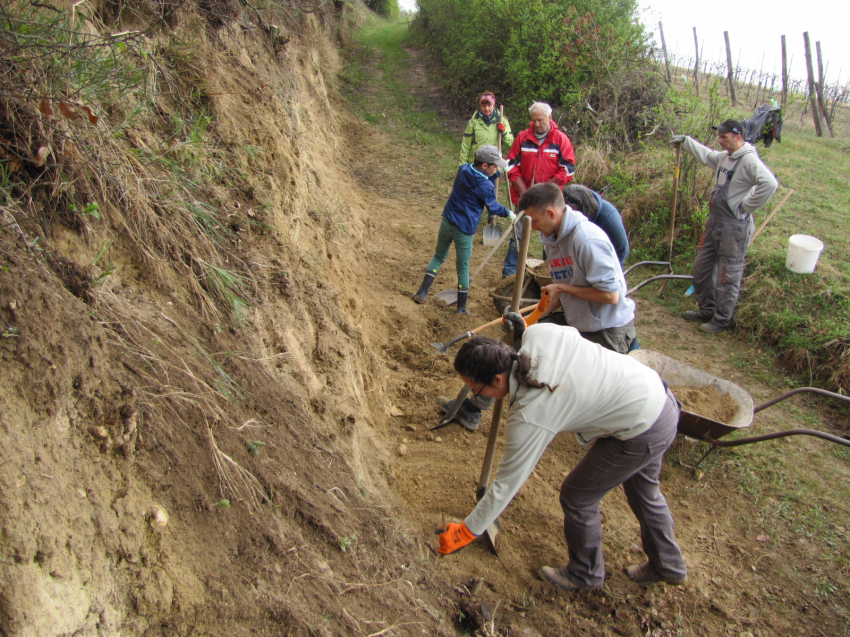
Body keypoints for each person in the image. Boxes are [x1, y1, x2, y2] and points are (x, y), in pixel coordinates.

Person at [436, 325, 688, 591]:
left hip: (642, 427)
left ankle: (585, 574)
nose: (479, 396)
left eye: (477, 390)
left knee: (578, 495)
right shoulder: (539, 333)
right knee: (644, 491)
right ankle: (669, 566)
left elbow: (506, 484)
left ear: (497, 380)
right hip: (657, 398)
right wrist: (522, 327)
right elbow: (565, 334)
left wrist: (465, 531)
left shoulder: (532, 412)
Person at [436, 182, 637, 431]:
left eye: (534, 220)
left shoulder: (586, 240)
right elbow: (558, 291)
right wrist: (527, 323)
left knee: (595, 391)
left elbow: (611, 296)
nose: (532, 227)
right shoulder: (552, 240)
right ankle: (473, 409)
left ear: (551, 213)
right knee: (516, 344)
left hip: (607, 329)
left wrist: (564, 290)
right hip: (578, 320)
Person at [671, 120, 778, 333]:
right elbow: (707, 155)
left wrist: (746, 206)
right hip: (715, 222)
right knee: (701, 269)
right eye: (719, 137)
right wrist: (686, 142)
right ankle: (706, 310)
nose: (720, 141)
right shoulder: (724, 157)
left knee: (726, 275)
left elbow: (770, 184)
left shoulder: (748, 160)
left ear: (738, 137)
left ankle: (721, 320)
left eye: (724, 137)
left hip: (735, 227)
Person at [412, 145, 516, 314]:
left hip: (447, 221)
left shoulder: (464, 169)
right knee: (463, 268)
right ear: (484, 165)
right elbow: (493, 207)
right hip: (464, 230)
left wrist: (497, 172)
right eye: (494, 166)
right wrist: (508, 213)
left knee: (438, 257)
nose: (497, 168)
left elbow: (481, 178)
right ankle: (461, 308)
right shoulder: (486, 187)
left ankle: (421, 292)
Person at [502, 102, 575, 277]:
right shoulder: (523, 138)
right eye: (534, 120)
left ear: (550, 118)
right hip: (523, 198)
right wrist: (525, 193)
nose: (537, 124)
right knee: (517, 236)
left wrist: (544, 191)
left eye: (540, 120)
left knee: (550, 237)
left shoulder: (560, 140)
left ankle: (549, 274)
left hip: (548, 201)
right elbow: (511, 165)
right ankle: (510, 274)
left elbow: (568, 169)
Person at [563, 184, 629, 267]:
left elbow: (621, 250)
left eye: (574, 213)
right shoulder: (561, 212)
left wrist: (605, 270)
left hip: (605, 262)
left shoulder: (608, 217)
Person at [459, 92, 514, 166]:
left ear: (493, 105)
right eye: (484, 106)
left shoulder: (502, 120)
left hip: (492, 165)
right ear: (480, 106)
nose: (487, 108)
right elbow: (466, 145)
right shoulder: (473, 122)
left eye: (489, 105)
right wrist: (462, 166)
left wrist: (504, 132)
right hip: (476, 163)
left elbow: (509, 143)